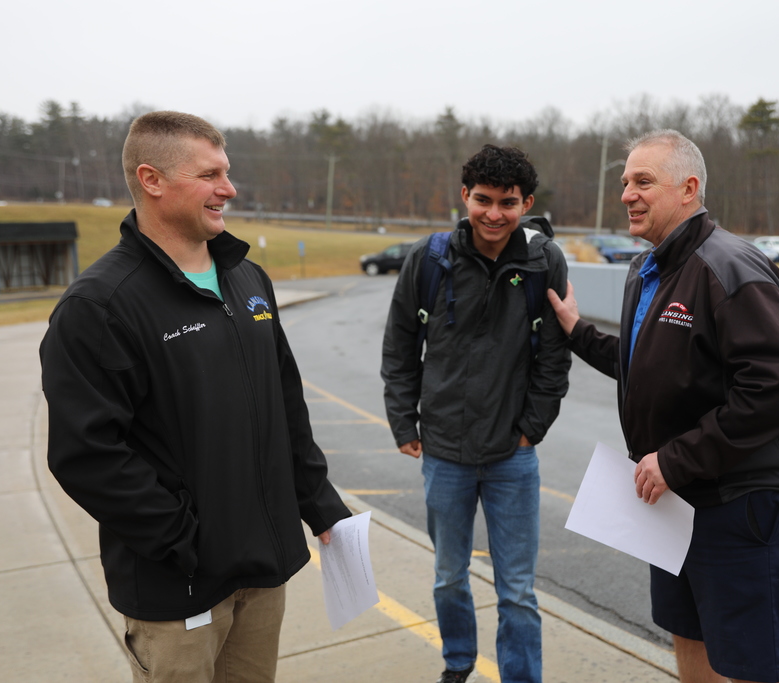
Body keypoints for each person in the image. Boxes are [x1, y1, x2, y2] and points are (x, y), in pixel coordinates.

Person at [39, 111, 351, 683]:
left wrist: (318, 501)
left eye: (226, 173)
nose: (228, 189)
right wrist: (184, 540)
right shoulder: (99, 306)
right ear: (152, 180)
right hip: (178, 587)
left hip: (262, 573)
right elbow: (86, 455)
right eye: (209, 175)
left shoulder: (248, 279)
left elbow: (285, 402)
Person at [547, 130, 779, 683]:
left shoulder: (729, 266)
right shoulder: (648, 268)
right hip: (676, 503)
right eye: (625, 182)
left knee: (750, 664)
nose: (627, 194)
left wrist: (676, 459)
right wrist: (577, 334)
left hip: (741, 504)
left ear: (688, 188)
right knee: (688, 636)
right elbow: (648, 362)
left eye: (643, 181)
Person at [381, 144, 571, 683]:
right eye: (482, 200)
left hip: (513, 457)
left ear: (525, 201)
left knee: (517, 591)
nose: (494, 214)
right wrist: (404, 421)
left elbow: (554, 359)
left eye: (507, 202)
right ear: (464, 196)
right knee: (448, 577)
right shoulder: (429, 259)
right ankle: (458, 664)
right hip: (445, 453)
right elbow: (399, 348)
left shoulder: (543, 262)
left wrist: (532, 430)